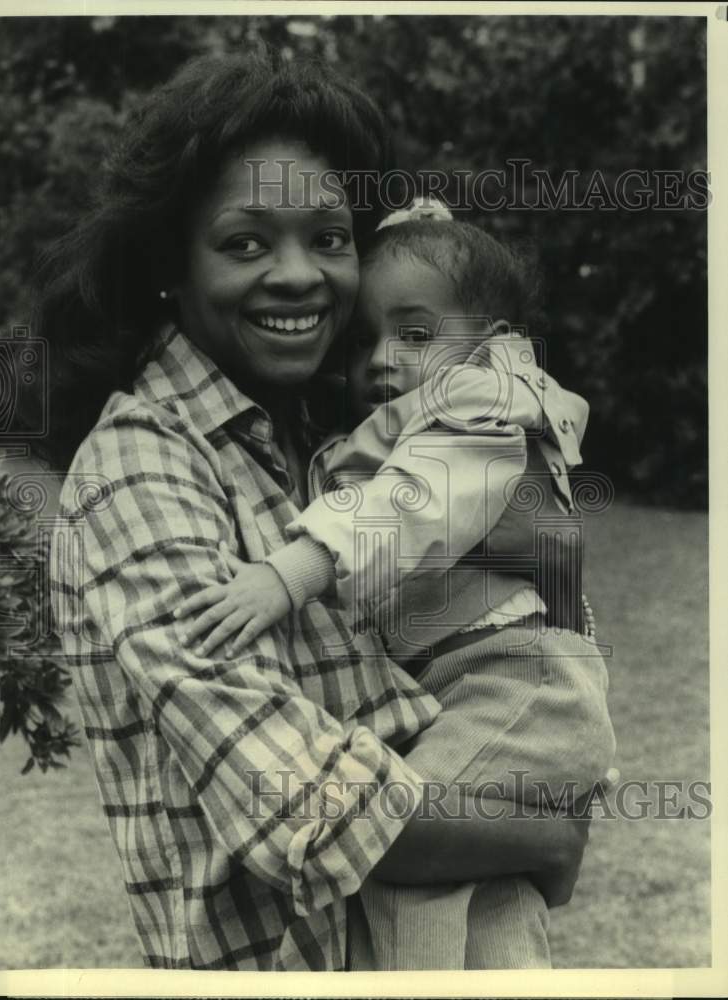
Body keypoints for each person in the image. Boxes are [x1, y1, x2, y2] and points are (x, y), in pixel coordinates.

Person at [41, 51, 603, 971]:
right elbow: (303, 800)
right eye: (247, 242)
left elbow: (511, 586)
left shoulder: (306, 431)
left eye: (330, 238)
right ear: (168, 266)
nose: (301, 276)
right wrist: (540, 836)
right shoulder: (138, 469)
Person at [171, 201, 616, 968]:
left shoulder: (476, 407)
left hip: (511, 686)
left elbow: (410, 505)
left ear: (494, 344)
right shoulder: (401, 417)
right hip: (495, 689)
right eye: (364, 340)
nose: (379, 359)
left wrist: (287, 575)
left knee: (408, 852)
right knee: (487, 887)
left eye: (413, 335)